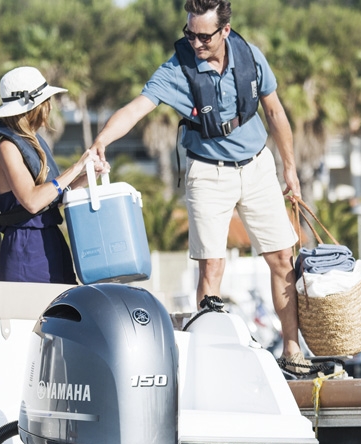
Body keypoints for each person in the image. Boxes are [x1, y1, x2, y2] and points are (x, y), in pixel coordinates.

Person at [90, 0, 311, 376]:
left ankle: (293, 350)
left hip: (258, 166)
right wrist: (101, 141)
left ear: (225, 30)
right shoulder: (176, 70)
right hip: (208, 173)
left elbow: (275, 112)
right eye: (189, 34)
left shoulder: (250, 56)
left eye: (204, 37)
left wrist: (289, 169)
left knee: (281, 259)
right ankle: (208, 362)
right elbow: (136, 108)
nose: (196, 43)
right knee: (211, 266)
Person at [0, 66, 107, 283]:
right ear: (35, 107)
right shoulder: (8, 147)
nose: (50, 106)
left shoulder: (34, 141)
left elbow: (53, 197)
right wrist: (76, 167)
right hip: (26, 248)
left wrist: (88, 176)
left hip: (51, 241)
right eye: (46, 101)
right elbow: (32, 202)